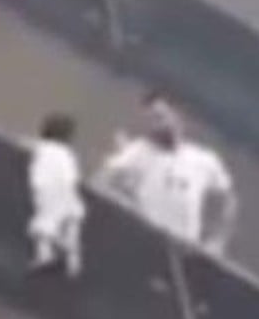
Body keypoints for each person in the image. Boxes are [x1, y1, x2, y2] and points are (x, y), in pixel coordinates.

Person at [97, 93, 238, 255]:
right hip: (142, 243)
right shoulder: (139, 151)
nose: (156, 126)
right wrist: (124, 202)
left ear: (177, 115)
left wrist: (218, 241)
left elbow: (229, 200)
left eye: (159, 117)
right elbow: (102, 179)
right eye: (150, 121)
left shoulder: (204, 160)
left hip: (183, 250)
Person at [26, 113, 86, 278]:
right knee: (72, 225)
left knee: (44, 224)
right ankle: (74, 264)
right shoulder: (68, 154)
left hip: (50, 191)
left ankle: (45, 255)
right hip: (69, 194)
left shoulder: (43, 147)